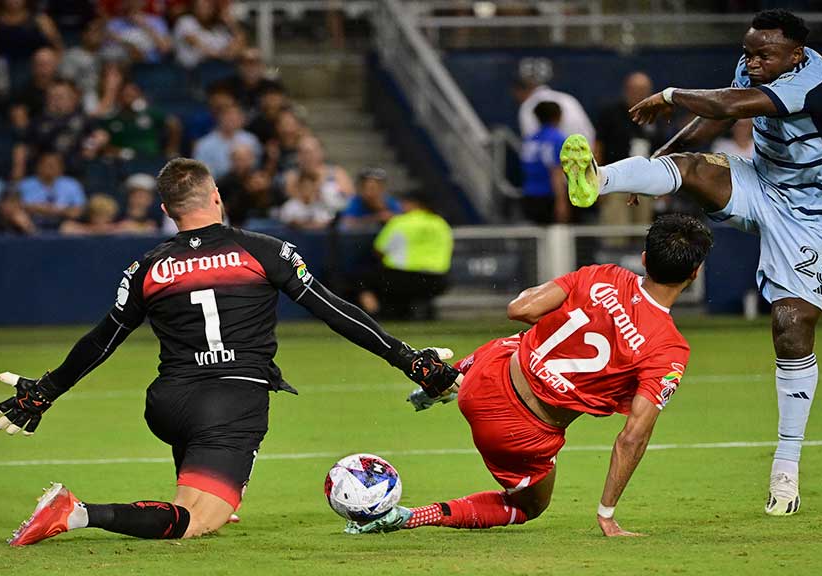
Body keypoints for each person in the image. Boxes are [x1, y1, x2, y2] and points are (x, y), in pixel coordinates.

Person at [0, 158, 461, 545]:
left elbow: (103, 340)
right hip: (232, 400)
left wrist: (44, 392)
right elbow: (337, 313)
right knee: (195, 522)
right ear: (216, 196)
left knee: (197, 490)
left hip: (168, 403)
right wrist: (413, 362)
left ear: (166, 209)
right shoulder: (264, 250)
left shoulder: (147, 266)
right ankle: (76, 512)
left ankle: (205, 486)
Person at [559, 10, 822, 516]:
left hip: (811, 214)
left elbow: (736, 103)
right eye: (749, 51)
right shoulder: (754, 66)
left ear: (795, 55)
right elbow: (717, 114)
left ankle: (786, 465)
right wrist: (656, 172)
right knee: (689, 168)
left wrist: (670, 94)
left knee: (790, 325)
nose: (753, 61)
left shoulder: (815, 82)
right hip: (761, 183)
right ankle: (598, 180)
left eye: (765, 55)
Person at [349, 214, 712, 536]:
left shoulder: (604, 275)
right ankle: (410, 516)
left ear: (645, 259)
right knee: (529, 506)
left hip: (489, 370)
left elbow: (519, 309)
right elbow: (632, 438)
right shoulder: (669, 349)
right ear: (694, 274)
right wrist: (607, 513)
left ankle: (448, 379)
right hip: (517, 431)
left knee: (521, 340)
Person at [357, 191, 453, 320]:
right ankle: (419, 312)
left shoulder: (401, 222)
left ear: (412, 204)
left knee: (362, 281)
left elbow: (379, 250)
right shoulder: (440, 223)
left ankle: (374, 317)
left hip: (402, 277)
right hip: (438, 280)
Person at [594, 71, 666, 227]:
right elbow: (598, 147)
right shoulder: (611, 114)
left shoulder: (655, 116)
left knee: (643, 229)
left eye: (643, 90)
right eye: (634, 89)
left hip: (645, 184)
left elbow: (663, 151)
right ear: (626, 90)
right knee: (616, 229)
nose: (638, 94)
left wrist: (663, 188)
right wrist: (596, 181)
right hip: (614, 182)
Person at [513, 57, 595, 142]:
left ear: (519, 91)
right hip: (583, 152)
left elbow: (534, 143)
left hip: (557, 152)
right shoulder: (568, 99)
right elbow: (591, 135)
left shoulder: (528, 106)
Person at [519, 101, 569, 224]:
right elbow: (555, 171)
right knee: (554, 236)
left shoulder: (529, 140)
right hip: (549, 195)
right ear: (558, 116)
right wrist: (561, 201)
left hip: (529, 194)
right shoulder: (558, 139)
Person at [282, 136, 353, 213]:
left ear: (321, 152)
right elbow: (294, 204)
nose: (308, 156)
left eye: (311, 152)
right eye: (303, 152)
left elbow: (350, 200)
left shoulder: (337, 173)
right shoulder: (292, 176)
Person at [17, 152, 87, 229]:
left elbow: (79, 210)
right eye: (47, 164)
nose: (51, 167)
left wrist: (48, 210)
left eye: (54, 165)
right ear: (38, 166)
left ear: (61, 167)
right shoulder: (25, 184)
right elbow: (17, 207)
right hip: (32, 223)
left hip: (63, 223)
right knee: (20, 218)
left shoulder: (72, 184)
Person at [193, 103, 261, 179]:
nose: (231, 121)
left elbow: (257, 166)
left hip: (247, 184)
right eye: (227, 117)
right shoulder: (204, 144)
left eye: (235, 118)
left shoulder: (251, 140)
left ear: (242, 119)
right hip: (216, 185)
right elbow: (200, 173)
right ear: (219, 118)